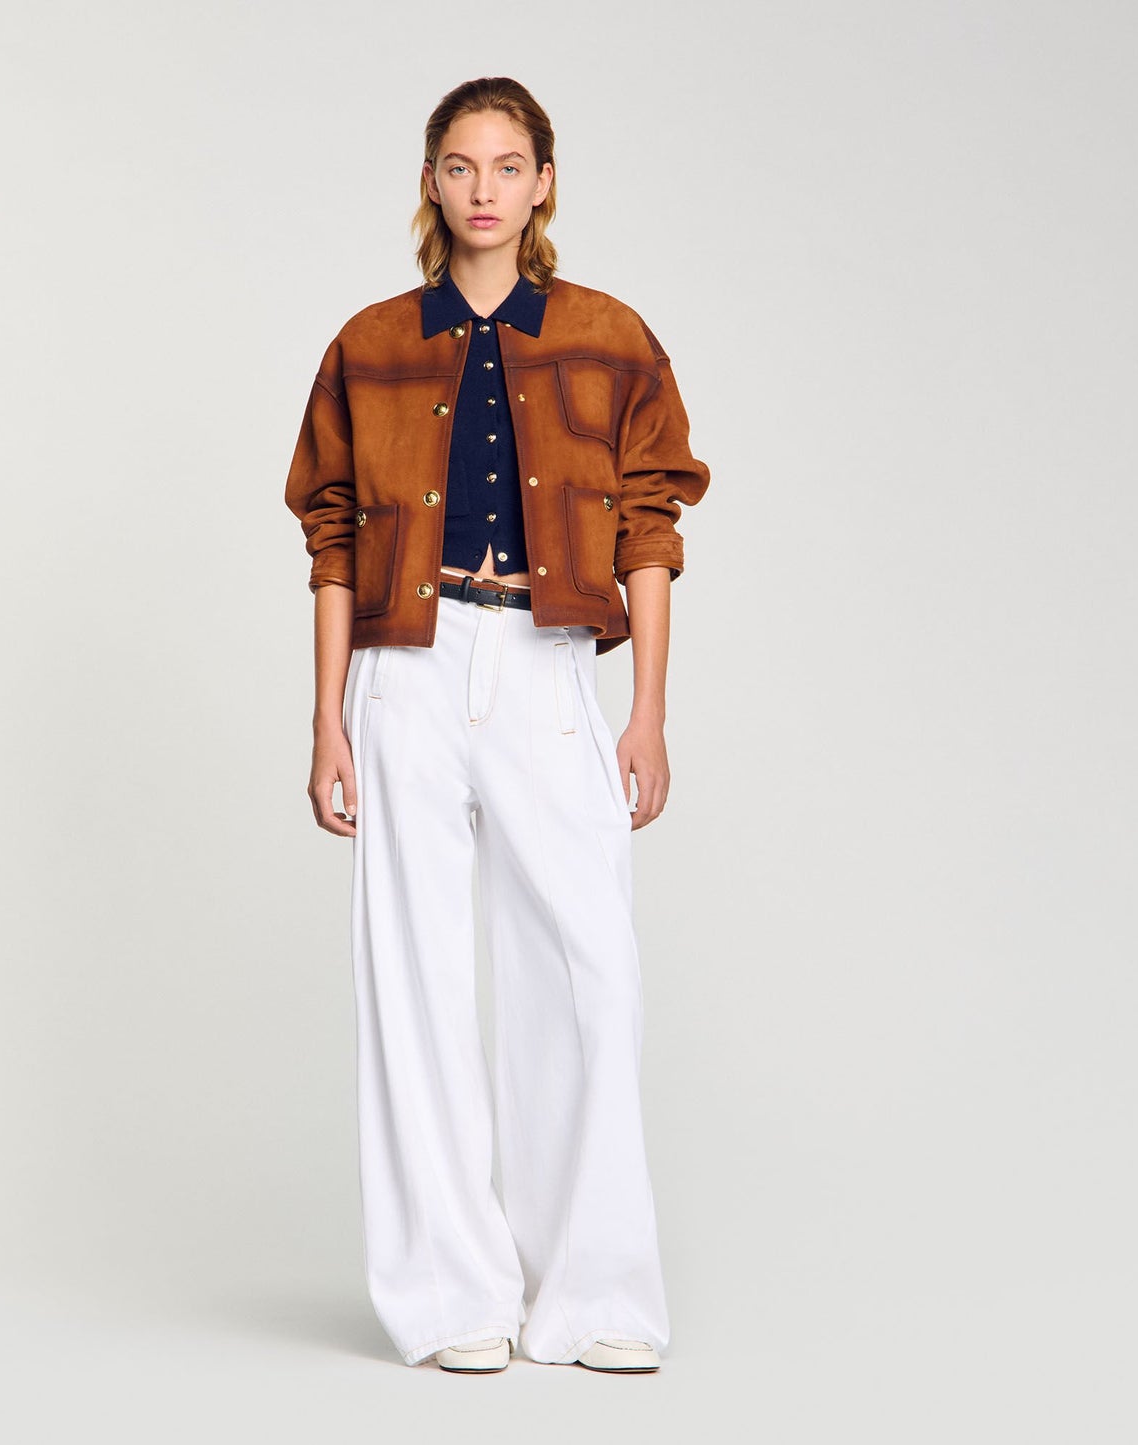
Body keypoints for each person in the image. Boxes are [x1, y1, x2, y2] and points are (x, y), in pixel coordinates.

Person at [284, 76, 710, 1373]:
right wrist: (326, 720)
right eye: (461, 166)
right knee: (412, 976)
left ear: (543, 184)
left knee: (587, 970)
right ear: (432, 181)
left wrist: (645, 711)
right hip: (403, 671)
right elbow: (332, 540)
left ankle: (598, 1292)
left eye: (508, 165)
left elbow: (650, 528)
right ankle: (451, 1296)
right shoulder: (368, 345)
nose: (484, 189)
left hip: (546, 661)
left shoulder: (609, 337)